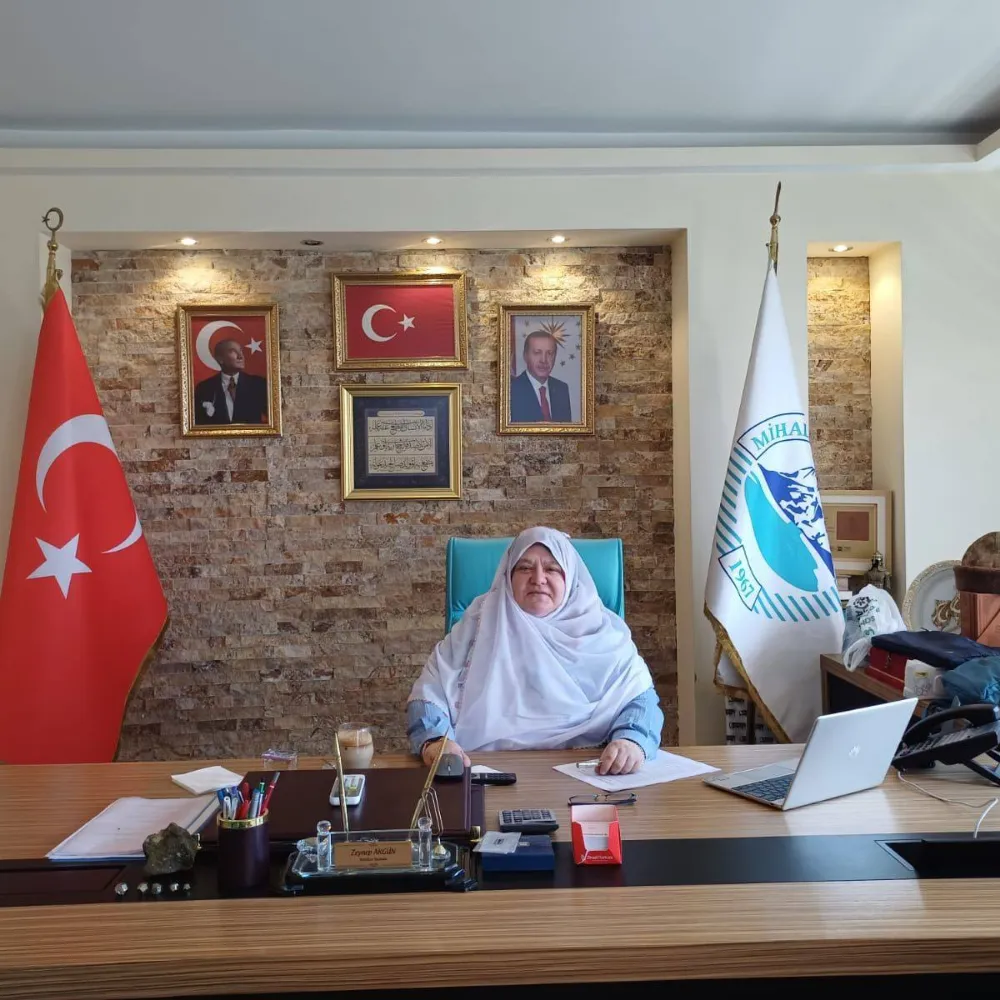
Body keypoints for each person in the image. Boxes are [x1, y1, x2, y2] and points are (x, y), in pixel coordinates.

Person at [407, 527, 663, 775]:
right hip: (486, 770)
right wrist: (436, 740)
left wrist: (632, 740)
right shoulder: (477, 624)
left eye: (552, 569)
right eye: (525, 568)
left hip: (588, 773)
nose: (538, 579)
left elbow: (640, 698)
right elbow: (430, 692)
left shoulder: (603, 633)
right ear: (508, 576)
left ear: (570, 578)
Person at [193, 339, 269, 425]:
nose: (240, 356)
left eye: (241, 351)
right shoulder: (204, 388)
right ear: (220, 359)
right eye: (233, 351)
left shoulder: (258, 384)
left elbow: (273, 420)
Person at [509, 331, 572, 423]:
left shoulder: (561, 389)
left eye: (549, 353)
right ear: (525, 356)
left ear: (555, 356)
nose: (543, 360)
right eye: (537, 352)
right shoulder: (511, 390)